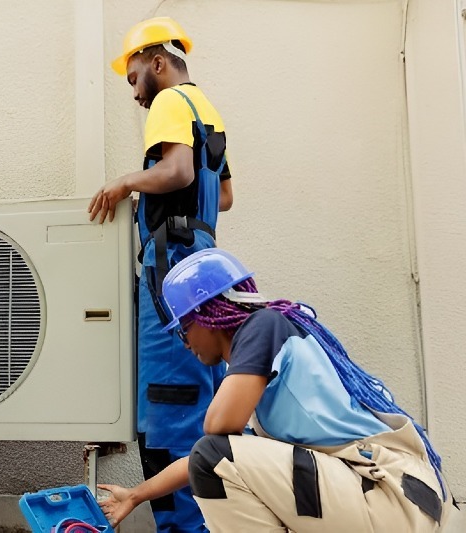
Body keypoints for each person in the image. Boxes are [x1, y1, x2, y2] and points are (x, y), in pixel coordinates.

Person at [99, 248, 457, 532]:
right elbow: (213, 456)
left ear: (206, 316)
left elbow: (215, 434)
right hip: (397, 496)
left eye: (183, 329)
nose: (184, 342)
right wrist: (135, 495)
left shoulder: (262, 326)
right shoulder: (273, 368)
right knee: (222, 459)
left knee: (217, 456)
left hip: (388, 497)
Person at [88, 16, 233, 532]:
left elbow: (177, 172)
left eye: (132, 78)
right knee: (204, 403)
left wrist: (126, 181)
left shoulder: (171, 101)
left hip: (171, 265)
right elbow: (225, 196)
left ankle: (185, 528)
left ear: (157, 62)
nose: (134, 93)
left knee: (168, 407)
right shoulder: (207, 109)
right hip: (205, 265)